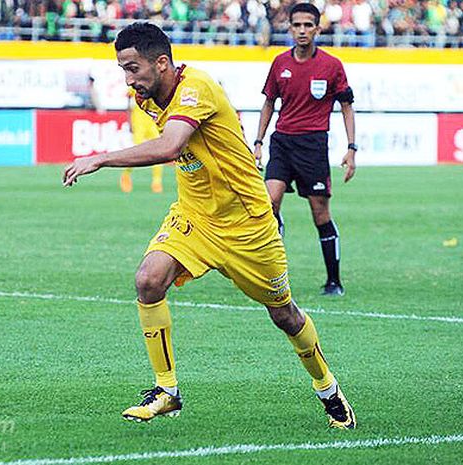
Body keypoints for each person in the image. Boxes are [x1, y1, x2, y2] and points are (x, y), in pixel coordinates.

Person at [63, 22, 355, 429]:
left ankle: (327, 389)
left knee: (284, 315)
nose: (129, 80)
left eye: (133, 68)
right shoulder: (148, 97)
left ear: (162, 63)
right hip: (196, 216)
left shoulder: (196, 87)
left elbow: (170, 146)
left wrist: (100, 158)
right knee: (148, 280)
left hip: (247, 224)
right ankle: (167, 391)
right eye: (123, 70)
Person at [253, 3, 357, 297]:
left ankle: (333, 280)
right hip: (282, 142)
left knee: (320, 214)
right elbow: (268, 103)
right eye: (297, 25)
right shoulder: (279, 64)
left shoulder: (331, 66)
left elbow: (347, 106)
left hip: (313, 146)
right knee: (269, 203)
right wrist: (259, 143)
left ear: (317, 29)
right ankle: (273, 274)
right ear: (289, 28)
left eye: (308, 25)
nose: (302, 31)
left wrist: (351, 148)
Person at [119, 87, 164, 194]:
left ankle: (157, 182)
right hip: (138, 120)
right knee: (136, 151)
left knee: (159, 151)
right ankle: (126, 175)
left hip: (152, 121)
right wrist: (129, 121)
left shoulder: (156, 83)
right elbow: (129, 105)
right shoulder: (135, 85)